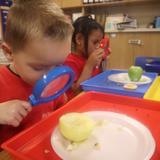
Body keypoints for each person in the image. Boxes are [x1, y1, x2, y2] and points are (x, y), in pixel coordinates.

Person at [0, 0, 73, 145]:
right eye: (39, 68)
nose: (51, 78)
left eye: (59, 65)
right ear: (9, 52)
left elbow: (62, 112)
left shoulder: (55, 83)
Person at [64, 15, 110, 99]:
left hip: (94, 98)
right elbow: (76, 92)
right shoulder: (69, 62)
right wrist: (89, 66)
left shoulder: (89, 57)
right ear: (79, 39)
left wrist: (103, 60)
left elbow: (99, 79)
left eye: (100, 42)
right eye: (95, 42)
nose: (98, 46)